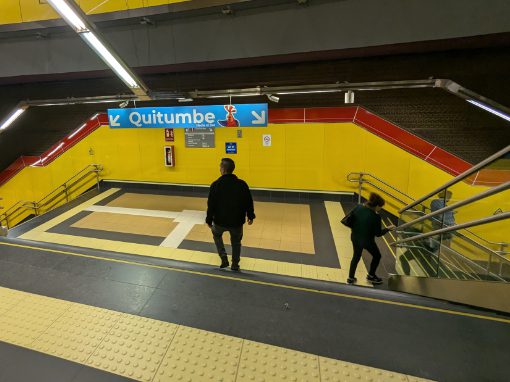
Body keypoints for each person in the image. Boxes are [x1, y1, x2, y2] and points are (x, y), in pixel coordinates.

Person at [206, 158, 255, 271]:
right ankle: (235, 264)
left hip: (220, 221)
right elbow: (248, 201)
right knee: (236, 241)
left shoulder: (216, 185)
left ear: (223, 169)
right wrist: (250, 216)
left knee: (216, 234)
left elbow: (211, 204)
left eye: (220, 167)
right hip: (237, 221)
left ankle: (223, 257)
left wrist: (209, 220)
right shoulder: (242, 184)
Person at [347, 192, 395, 285]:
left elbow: (351, 220)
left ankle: (350, 277)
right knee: (377, 256)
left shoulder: (359, 207)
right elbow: (378, 234)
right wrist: (388, 229)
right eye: (380, 207)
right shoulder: (376, 217)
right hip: (367, 241)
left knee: (356, 256)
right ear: (376, 205)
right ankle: (371, 276)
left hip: (355, 237)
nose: (380, 209)